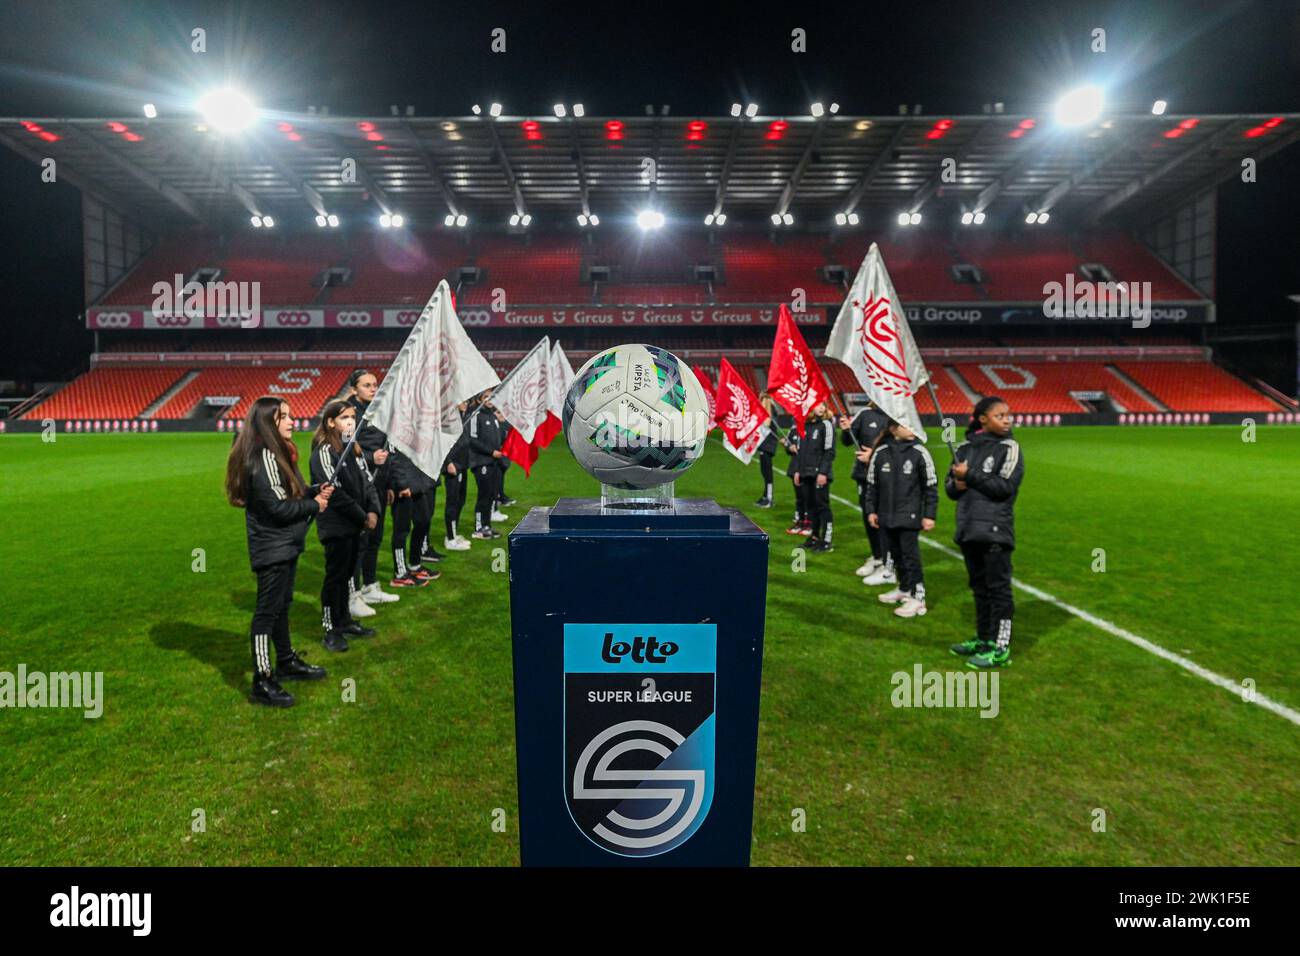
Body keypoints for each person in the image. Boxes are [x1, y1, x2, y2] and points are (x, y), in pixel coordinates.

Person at [225, 396, 331, 707]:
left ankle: (285, 661)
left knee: (282, 605)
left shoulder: (277, 454)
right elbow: (276, 506)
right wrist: (315, 504)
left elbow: (287, 493)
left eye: (290, 415)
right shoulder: (263, 456)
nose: (291, 421)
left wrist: (313, 492)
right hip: (273, 545)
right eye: (283, 416)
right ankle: (262, 678)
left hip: (284, 543)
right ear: (267, 422)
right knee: (266, 612)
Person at [945, 396, 1023, 669]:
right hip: (969, 529)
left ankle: (1001, 648)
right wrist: (958, 482)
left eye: (1007, 415)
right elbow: (950, 489)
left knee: (999, 590)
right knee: (979, 589)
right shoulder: (964, 448)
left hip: (995, 531)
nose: (1007, 420)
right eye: (1000, 416)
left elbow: (1005, 488)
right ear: (982, 419)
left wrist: (972, 476)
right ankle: (984, 639)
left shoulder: (1010, 447)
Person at [310, 400, 379, 652]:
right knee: (335, 577)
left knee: (348, 573)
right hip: (337, 526)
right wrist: (363, 516)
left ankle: (344, 621)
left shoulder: (353, 449)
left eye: (352, 417)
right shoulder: (324, 452)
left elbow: (367, 482)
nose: (350, 421)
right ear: (330, 422)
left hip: (356, 524)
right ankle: (330, 628)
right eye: (343, 418)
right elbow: (334, 492)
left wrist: (373, 509)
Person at [866, 420, 938, 618]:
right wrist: (871, 510)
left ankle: (918, 597)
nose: (912, 428)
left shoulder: (920, 453)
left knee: (910, 556)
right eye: (907, 425)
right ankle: (904, 588)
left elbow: (930, 487)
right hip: (886, 516)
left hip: (909, 516)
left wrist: (929, 514)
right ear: (893, 429)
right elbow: (872, 485)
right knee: (895, 555)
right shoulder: (880, 453)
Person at [345, 370, 400, 608]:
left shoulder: (377, 410)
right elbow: (344, 448)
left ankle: (370, 585)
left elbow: (384, 447)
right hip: (358, 485)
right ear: (354, 388)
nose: (372, 389)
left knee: (375, 537)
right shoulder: (347, 413)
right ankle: (353, 593)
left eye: (375, 385)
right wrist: (369, 457)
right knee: (361, 539)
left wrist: (388, 484)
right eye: (366, 385)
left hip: (378, 483)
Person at [839, 401, 892, 580]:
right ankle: (877, 557)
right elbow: (847, 442)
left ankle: (888, 561)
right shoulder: (864, 414)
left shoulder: (895, 415)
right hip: (864, 474)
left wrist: (874, 456)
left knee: (885, 518)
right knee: (869, 518)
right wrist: (847, 430)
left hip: (887, 475)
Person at [388, 445, 440, 587]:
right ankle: (399, 573)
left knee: (424, 521)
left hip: (417, 482)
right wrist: (401, 483)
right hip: (402, 486)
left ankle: (415, 564)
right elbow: (392, 457)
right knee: (402, 530)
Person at [792, 401, 837, 552]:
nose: (822, 408)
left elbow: (829, 451)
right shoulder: (803, 426)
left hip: (819, 474)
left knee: (822, 506)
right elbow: (800, 451)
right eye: (818, 405)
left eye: (824, 405)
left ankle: (827, 539)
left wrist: (823, 472)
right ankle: (814, 536)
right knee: (810, 507)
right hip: (806, 474)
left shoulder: (826, 425)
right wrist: (798, 470)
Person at [468, 392, 505, 540]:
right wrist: (491, 452)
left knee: (491, 494)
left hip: (493, 462)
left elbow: (500, 437)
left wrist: (502, 424)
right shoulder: (476, 415)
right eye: (486, 397)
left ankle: (487, 525)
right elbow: (472, 439)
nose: (489, 400)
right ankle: (479, 528)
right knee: (483, 495)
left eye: (491, 397)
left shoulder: (492, 415)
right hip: (481, 461)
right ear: (479, 399)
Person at [441, 401, 472, 550]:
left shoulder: (462, 417)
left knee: (461, 500)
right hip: (453, 467)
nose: (465, 404)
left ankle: (454, 532)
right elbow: (442, 443)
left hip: (463, 466)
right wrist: (448, 463)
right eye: (462, 401)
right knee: (452, 502)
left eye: (466, 401)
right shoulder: (448, 420)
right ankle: (450, 538)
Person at [754, 393, 786, 508]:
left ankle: (769, 498)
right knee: (764, 471)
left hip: (767, 445)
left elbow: (766, 424)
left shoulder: (769, 410)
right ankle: (765, 496)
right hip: (765, 445)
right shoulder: (770, 410)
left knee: (767, 472)